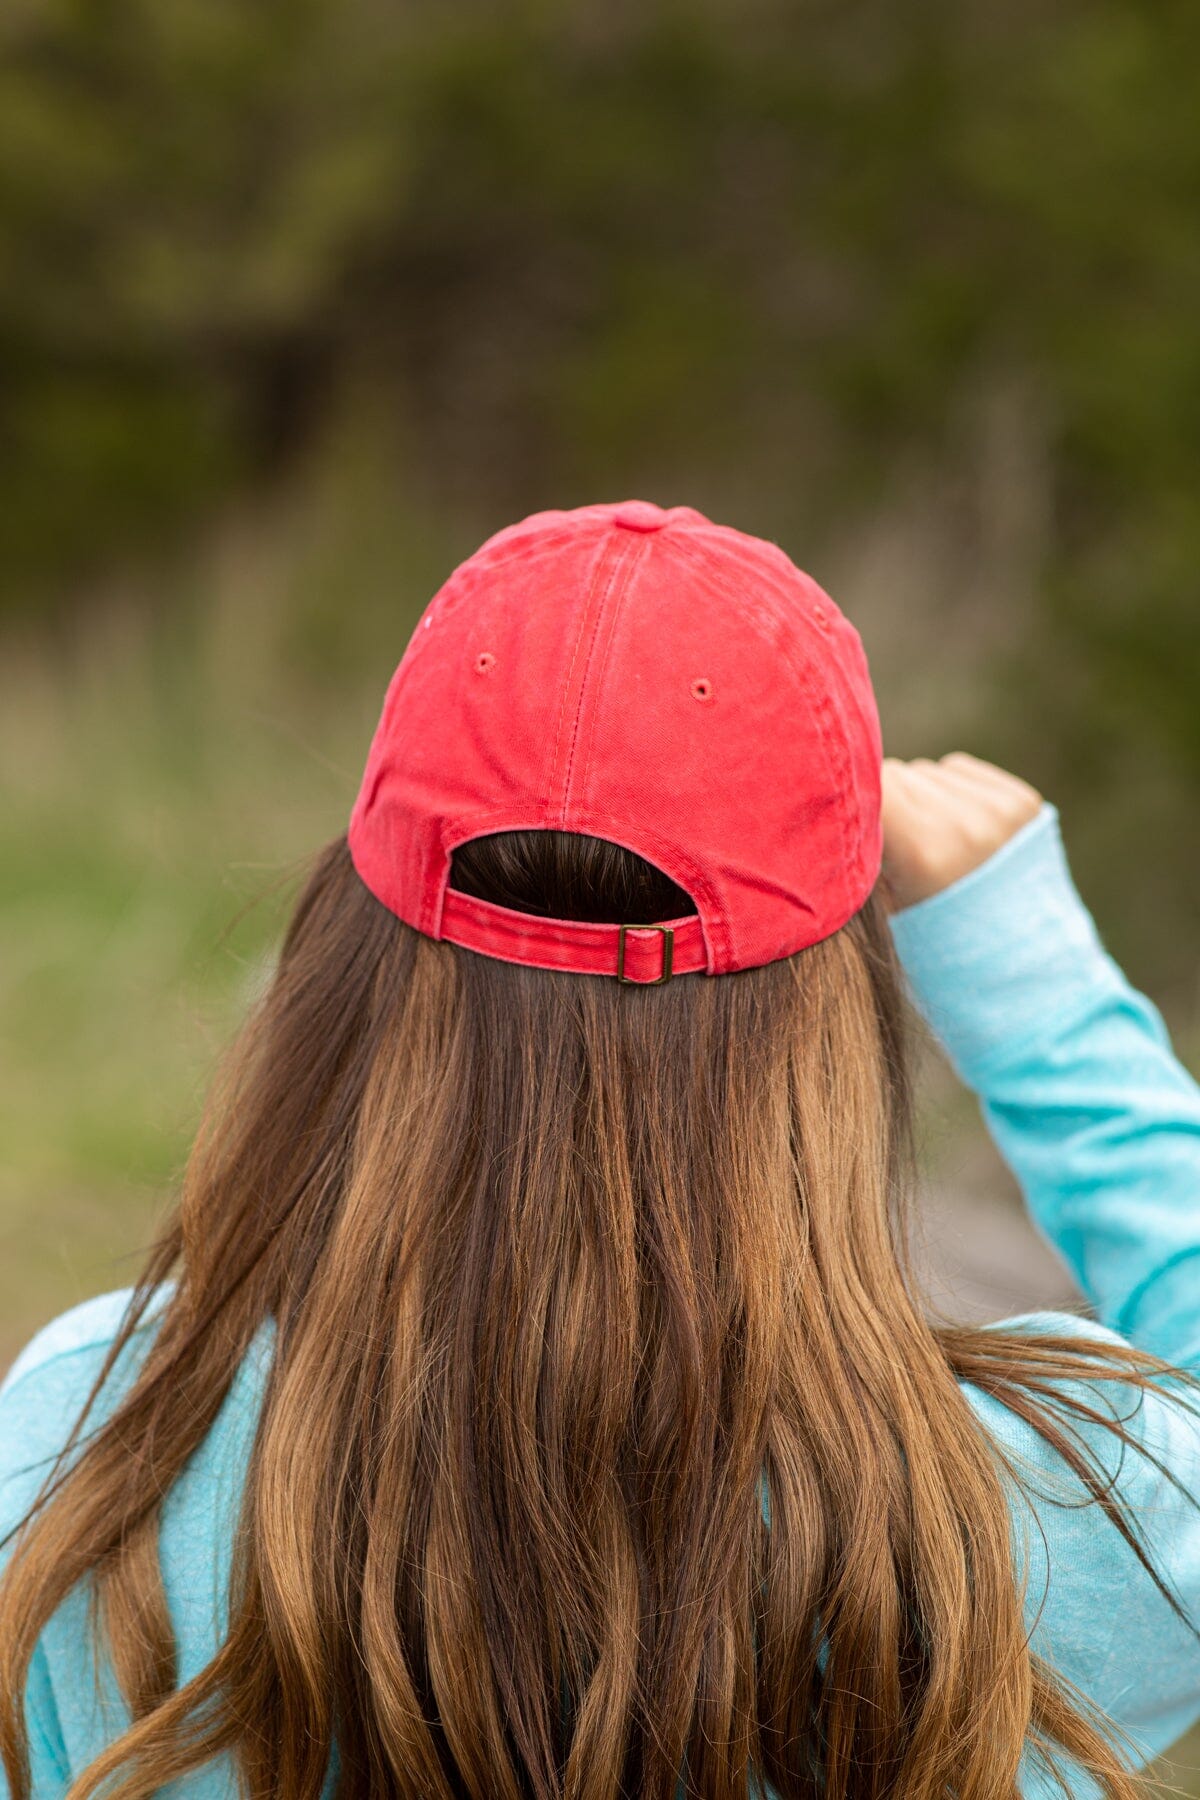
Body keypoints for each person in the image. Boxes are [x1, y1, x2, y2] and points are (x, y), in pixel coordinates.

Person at [1, 499, 1198, 1800]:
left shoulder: (94, 1452)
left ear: (349, 965)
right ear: (831, 1024)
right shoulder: (1049, 1504)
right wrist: (1035, 987)